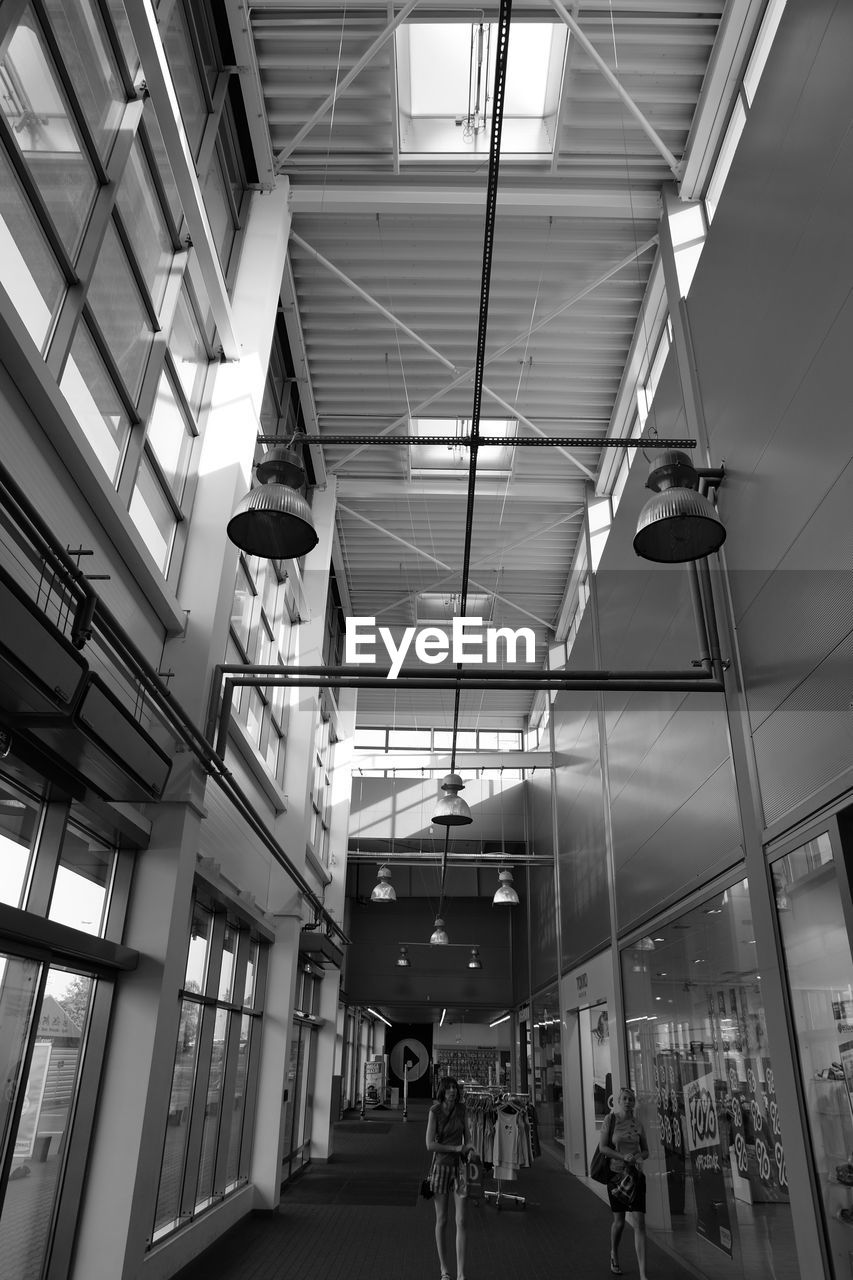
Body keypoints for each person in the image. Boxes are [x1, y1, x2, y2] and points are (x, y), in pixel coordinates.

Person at [598, 1086, 650, 1278]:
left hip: (635, 1176)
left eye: (631, 1099)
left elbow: (646, 1151)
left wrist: (637, 1156)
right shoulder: (610, 1120)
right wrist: (622, 1156)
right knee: (619, 1222)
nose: (628, 1102)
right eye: (625, 1099)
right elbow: (603, 1148)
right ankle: (614, 1253)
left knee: (640, 1222)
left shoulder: (638, 1124)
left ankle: (643, 1274)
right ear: (618, 1101)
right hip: (616, 1176)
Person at [426, 1076, 473, 1280]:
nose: (452, 1091)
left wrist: (470, 1150)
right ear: (442, 1091)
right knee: (442, 1219)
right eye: (449, 1088)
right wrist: (454, 1148)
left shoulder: (462, 1110)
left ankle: (461, 1273)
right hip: (441, 1167)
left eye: (455, 1088)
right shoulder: (434, 1111)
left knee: (461, 1220)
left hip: (460, 1168)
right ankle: (444, 1269)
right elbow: (429, 1144)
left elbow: (468, 1137)